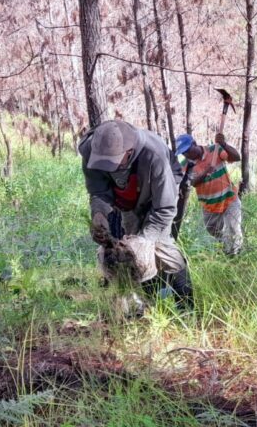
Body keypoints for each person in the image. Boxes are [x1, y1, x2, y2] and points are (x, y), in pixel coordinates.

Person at [79, 120, 194, 309]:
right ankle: (151, 302)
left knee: (160, 246)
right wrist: (99, 215)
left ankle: (187, 305)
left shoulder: (154, 154)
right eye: (103, 164)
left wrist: (145, 239)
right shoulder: (91, 150)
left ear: (129, 153)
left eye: (113, 163)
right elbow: (98, 192)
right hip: (129, 198)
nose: (108, 169)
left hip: (161, 190)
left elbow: (164, 208)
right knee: (132, 251)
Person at [175, 132, 243, 256]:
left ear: (194, 144)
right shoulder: (186, 164)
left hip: (229, 198)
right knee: (213, 229)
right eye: (183, 152)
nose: (186, 154)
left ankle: (234, 257)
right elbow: (191, 183)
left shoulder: (214, 150)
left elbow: (236, 157)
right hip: (209, 205)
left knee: (233, 228)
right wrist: (206, 172)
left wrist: (224, 144)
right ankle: (225, 247)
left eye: (187, 150)